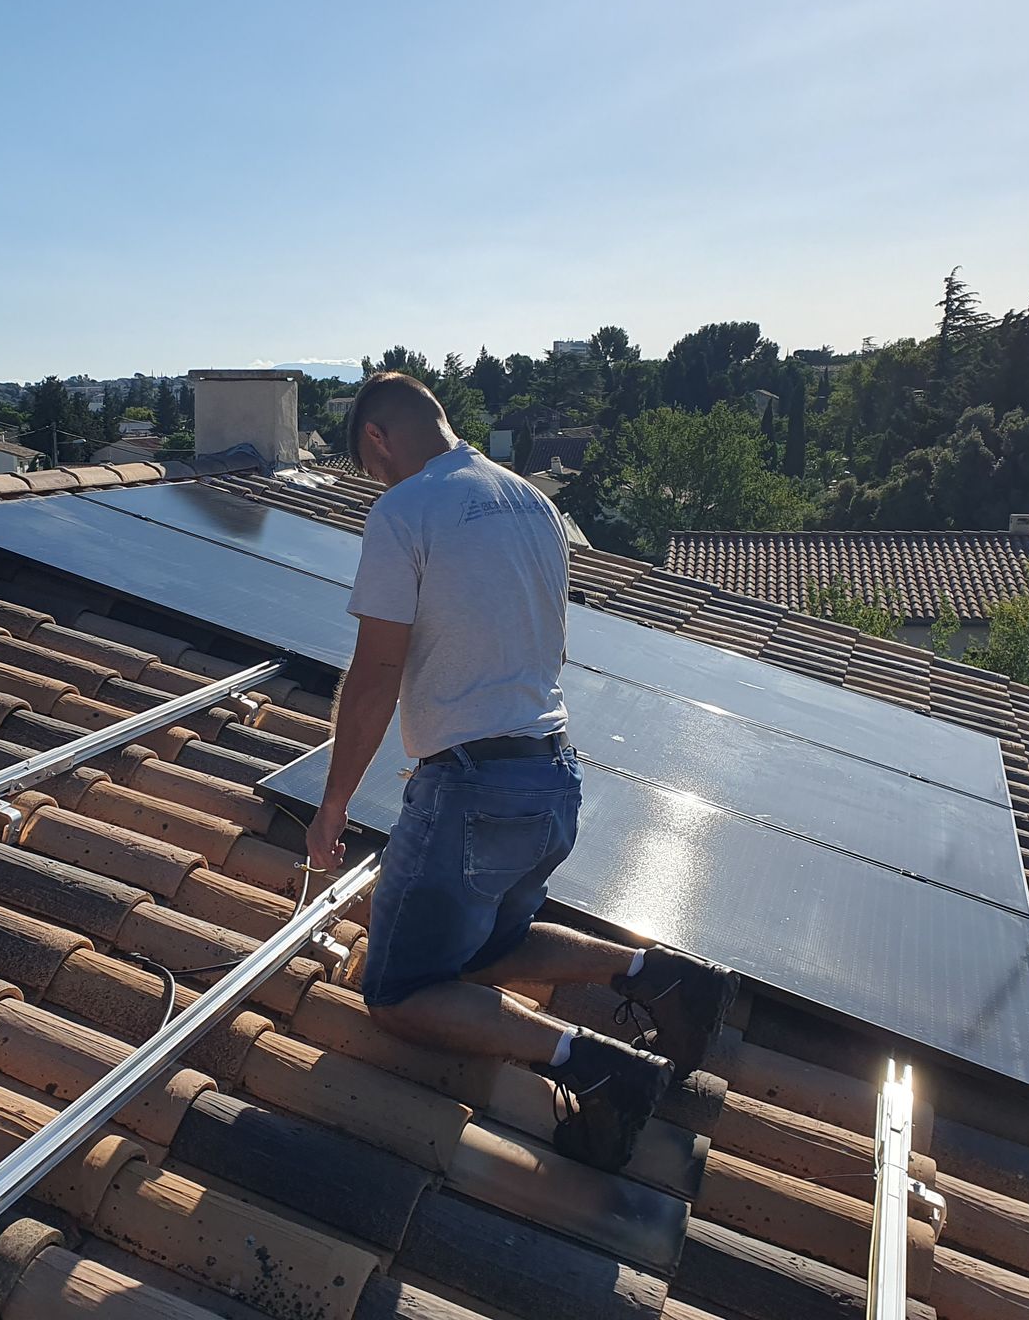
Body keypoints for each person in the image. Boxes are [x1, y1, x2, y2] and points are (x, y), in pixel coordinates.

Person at [305, 371, 739, 1172]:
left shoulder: (405, 509)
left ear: (376, 437)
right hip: (551, 776)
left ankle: (592, 1066)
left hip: (469, 789)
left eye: (371, 467)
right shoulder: (534, 504)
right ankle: (657, 974)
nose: (378, 480)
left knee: (397, 990)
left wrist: (332, 805)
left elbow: (374, 674)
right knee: (487, 946)